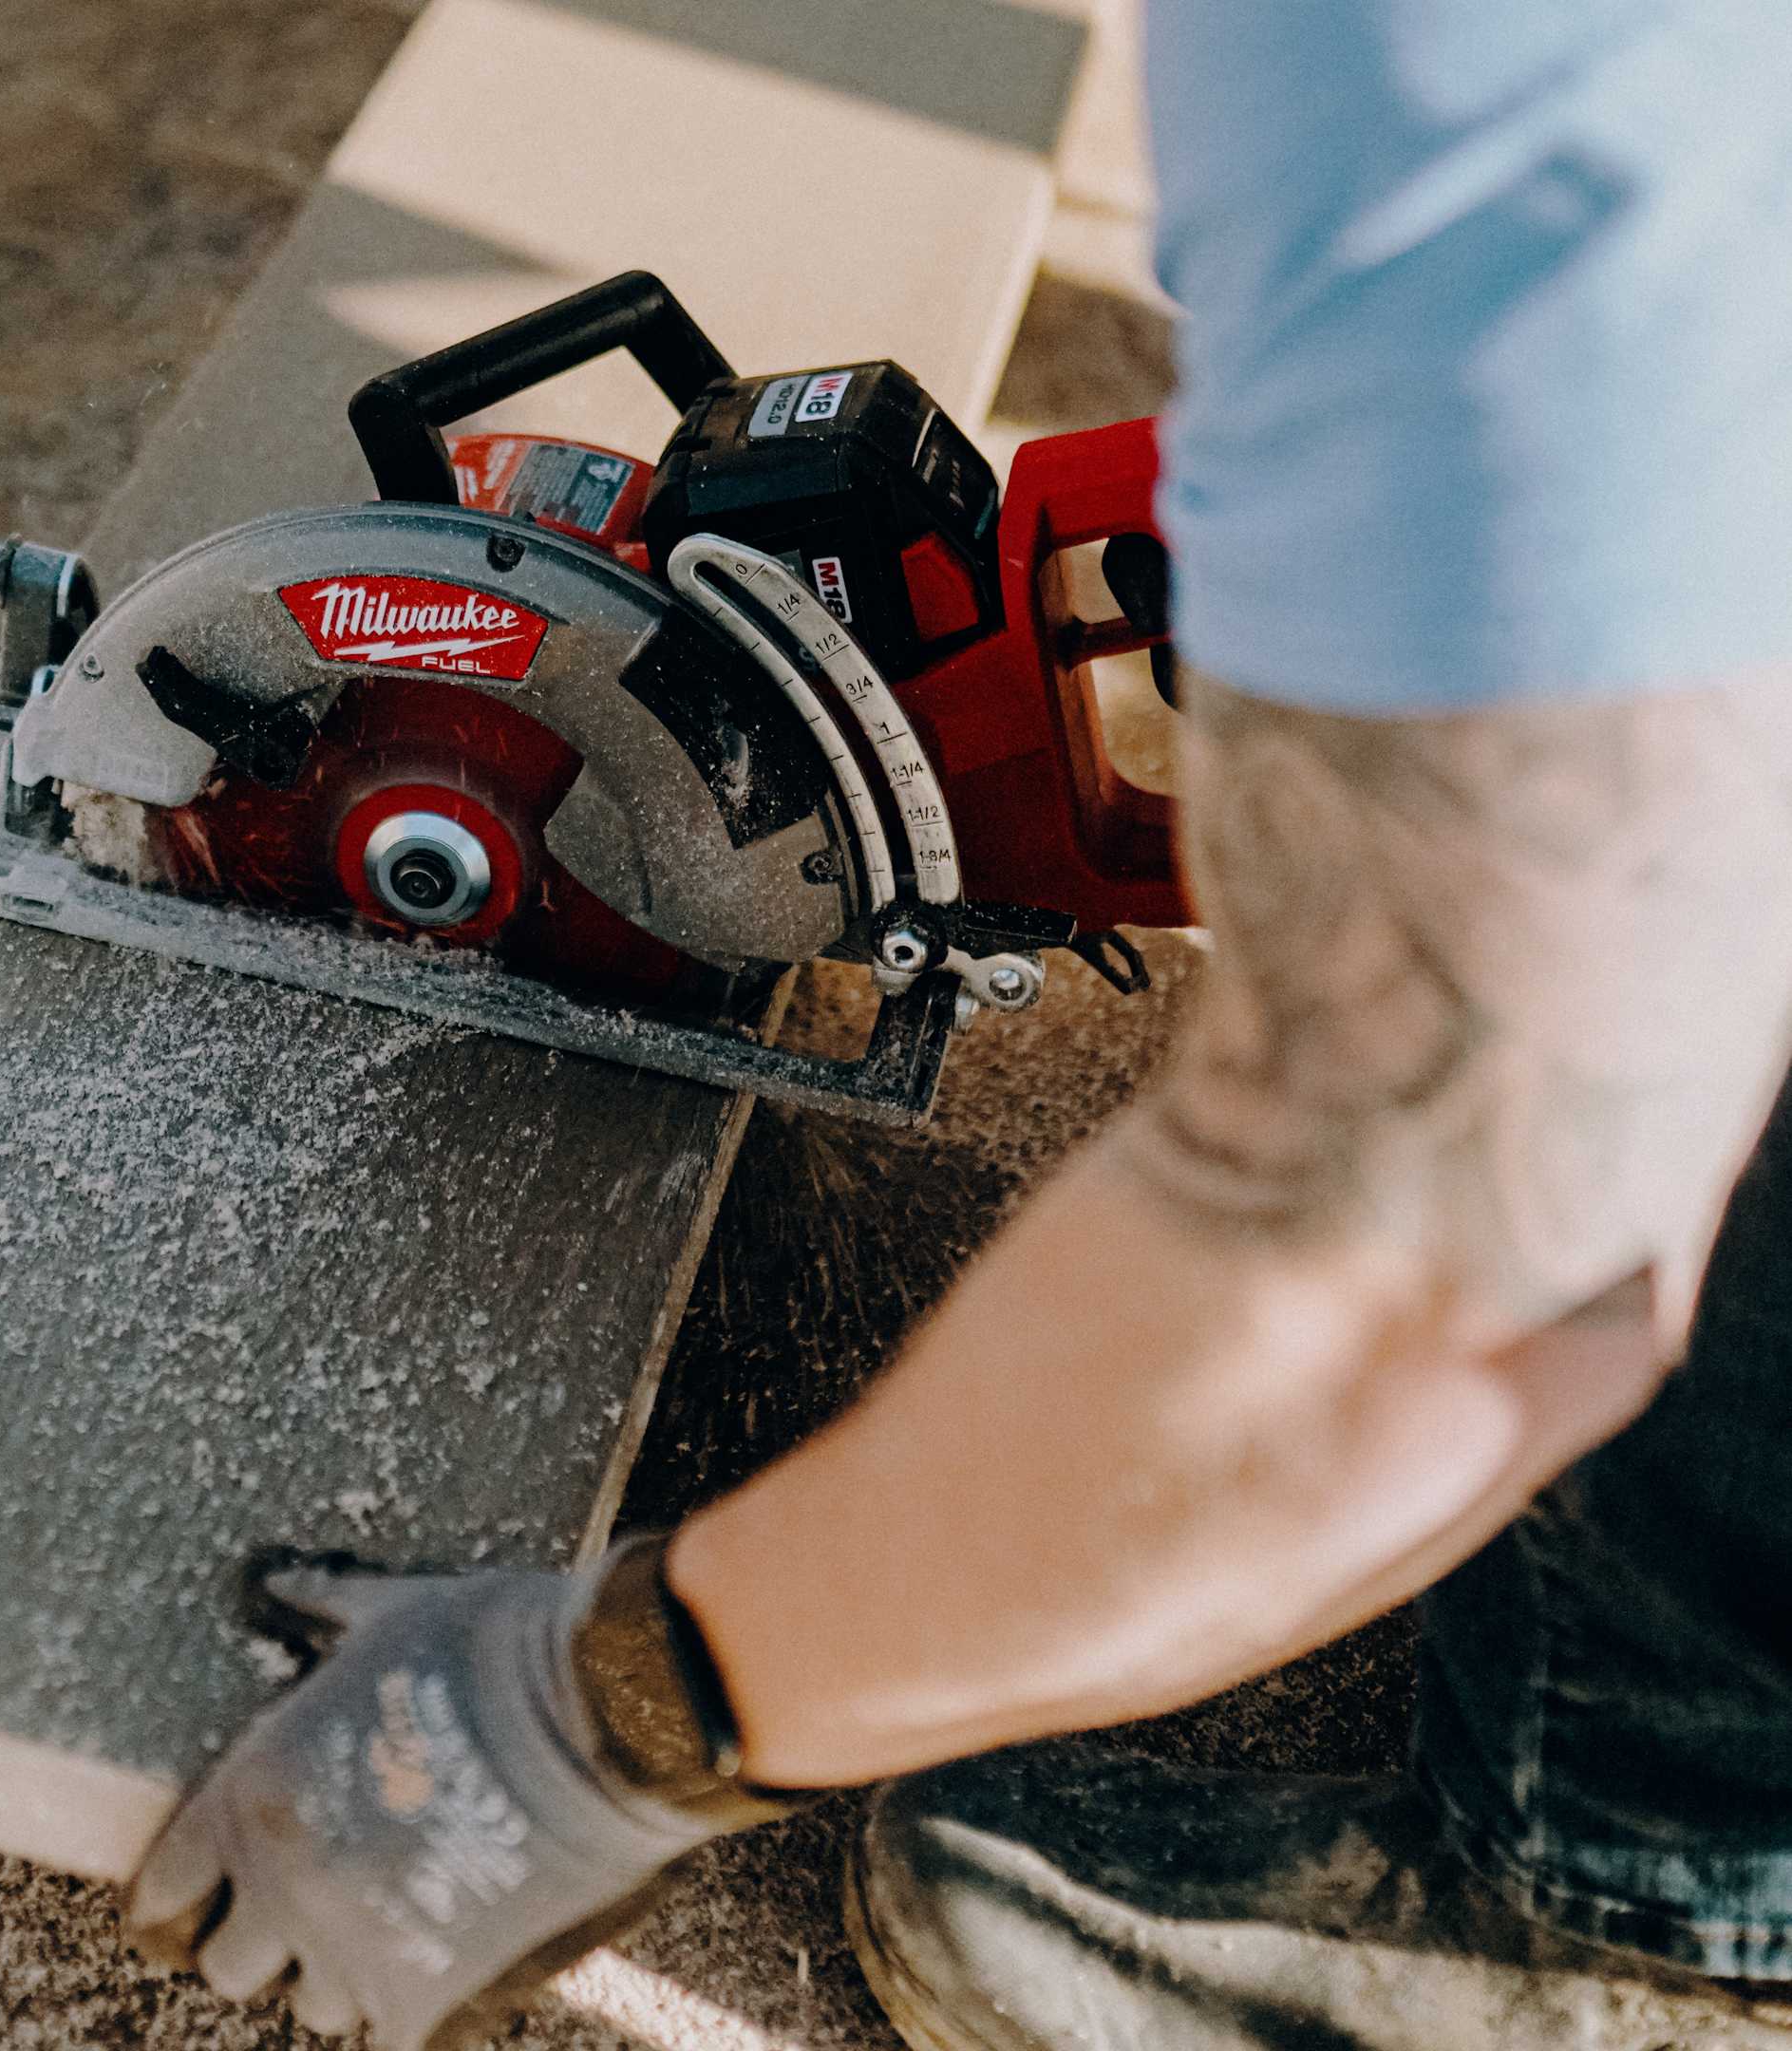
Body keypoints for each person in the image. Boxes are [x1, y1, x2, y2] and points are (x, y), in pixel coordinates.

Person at [123, 4, 1792, 2044]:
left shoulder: (1455, 96)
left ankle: (1656, 1905)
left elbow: (1430, 1285)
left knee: (1572, 1083)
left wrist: (603, 1717)